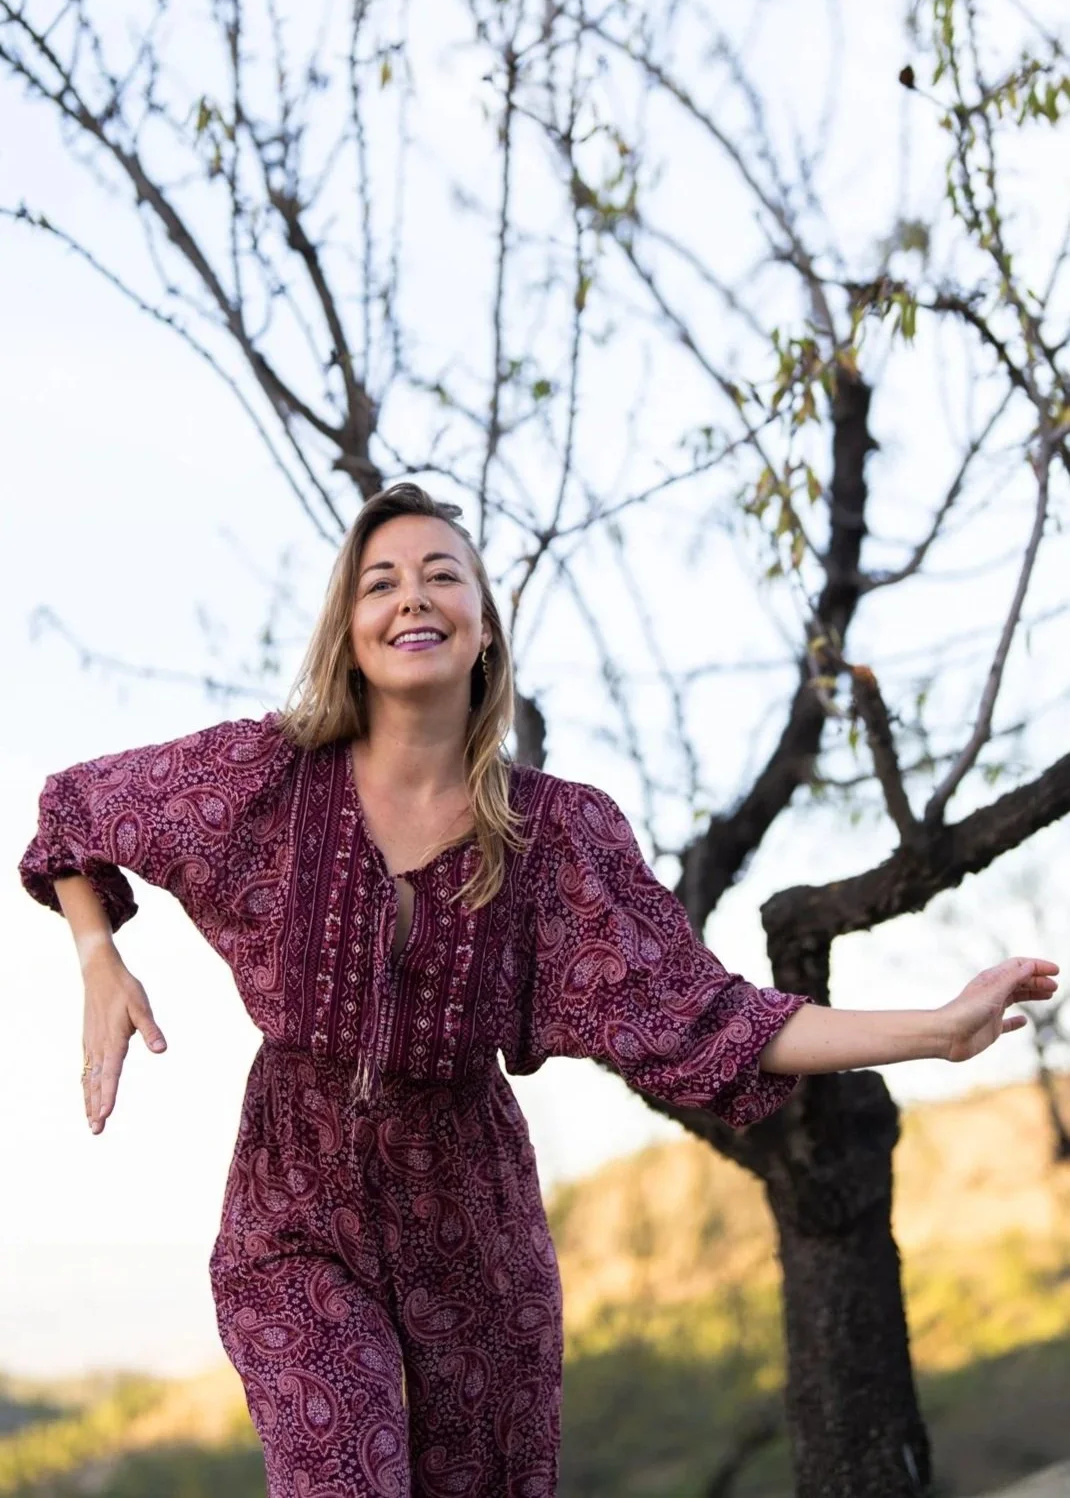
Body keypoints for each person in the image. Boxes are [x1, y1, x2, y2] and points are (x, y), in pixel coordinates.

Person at [19, 480, 1057, 1498]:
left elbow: (712, 1017)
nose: (411, 597)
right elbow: (76, 811)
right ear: (349, 628)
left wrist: (933, 1029)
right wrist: (96, 952)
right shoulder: (266, 778)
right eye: (379, 582)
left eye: (440, 576)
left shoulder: (557, 836)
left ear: (482, 628)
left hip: (474, 1243)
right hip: (293, 1215)